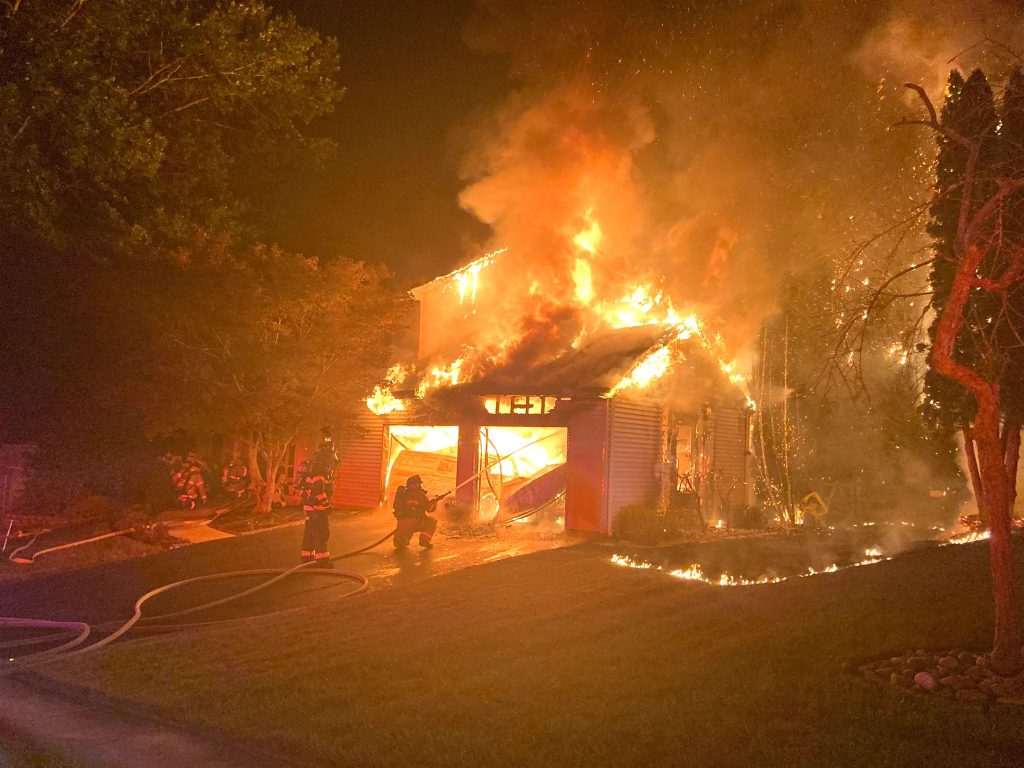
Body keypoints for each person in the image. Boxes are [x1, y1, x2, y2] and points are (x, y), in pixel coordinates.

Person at [393, 475, 438, 550]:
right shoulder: (419, 494)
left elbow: (396, 507)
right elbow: (429, 508)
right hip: (415, 522)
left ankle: (400, 541)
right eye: (419, 484)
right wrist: (434, 503)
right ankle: (424, 540)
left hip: (401, 523)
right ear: (416, 484)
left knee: (400, 544)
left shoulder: (403, 494)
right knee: (432, 521)